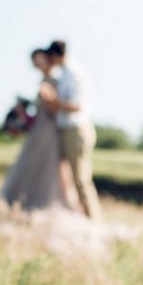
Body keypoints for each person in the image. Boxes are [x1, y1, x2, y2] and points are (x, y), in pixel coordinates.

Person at [0, 49, 72, 211]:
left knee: (46, 166)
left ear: (48, 59)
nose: (38, 65)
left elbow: (54, 109)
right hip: (38, 129)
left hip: (48, 131)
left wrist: (49, 100)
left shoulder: (54, 80)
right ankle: (21, 201)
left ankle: (45, 202)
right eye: (36, 63)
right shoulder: (44, 79)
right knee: (30, 165)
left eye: (40, 61)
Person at [40, 40, 102, 219]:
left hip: (77, 131)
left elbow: (77, 106)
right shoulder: (65, 73)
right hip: (68, 130)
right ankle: (82, 215)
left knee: (81, 179)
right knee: (69, 178)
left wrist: (53, 101)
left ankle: (94, 220)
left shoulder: (74, 74)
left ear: (55, 56)